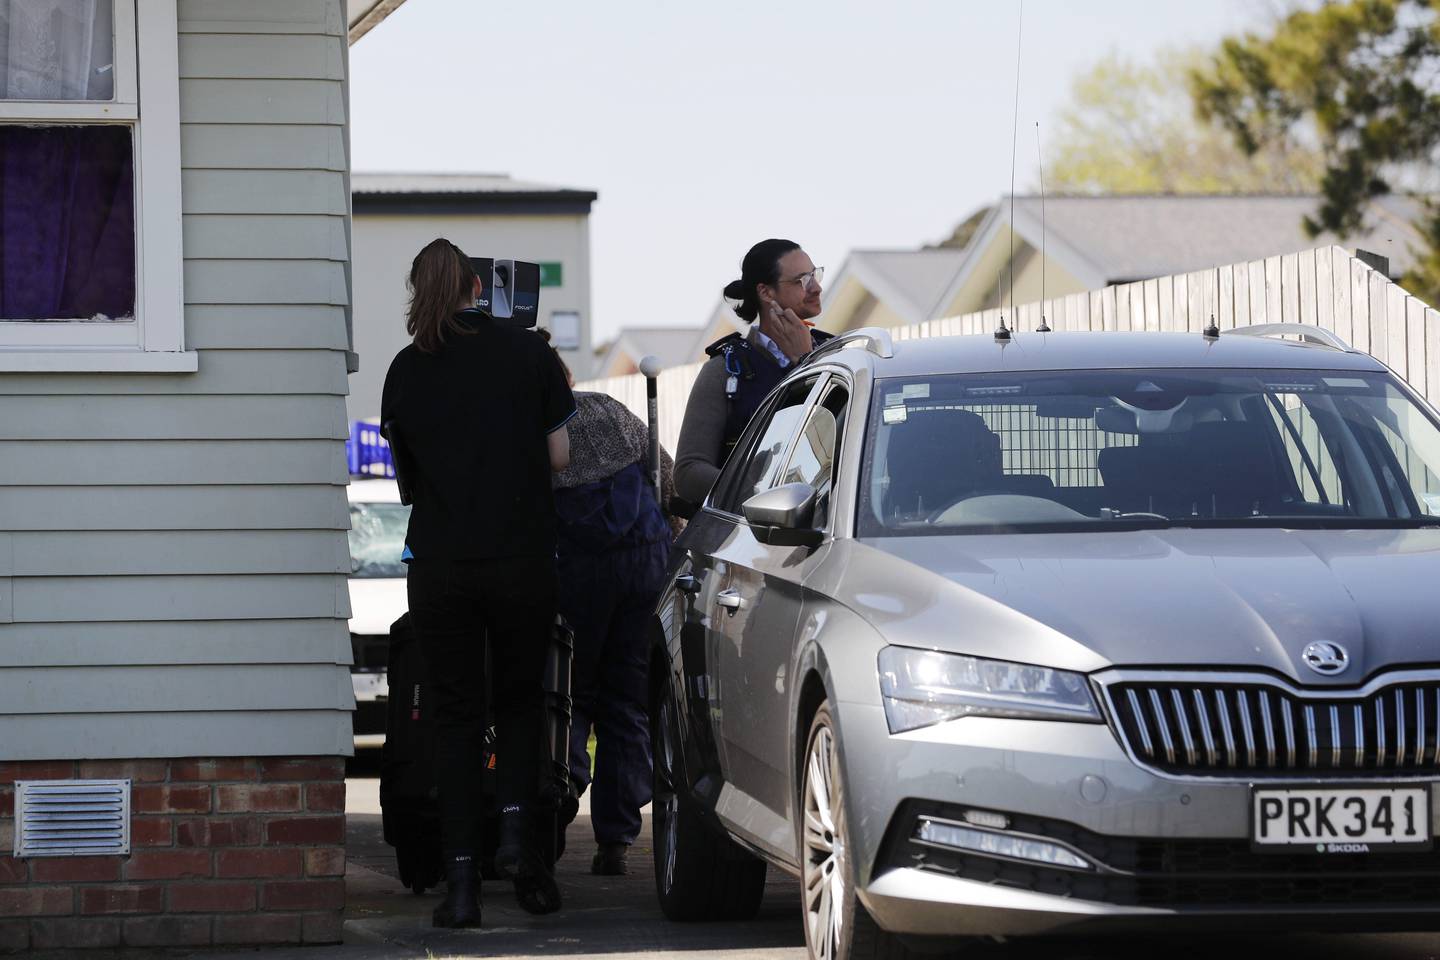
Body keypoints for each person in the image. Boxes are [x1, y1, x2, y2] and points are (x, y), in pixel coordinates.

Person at [380, 239, 576, 929]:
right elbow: (559, 454)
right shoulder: (529, 354)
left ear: (417, 291)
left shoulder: (405, 369)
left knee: (456, 720)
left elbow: (406, 484)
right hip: (522, 557)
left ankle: (461, 887)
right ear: (476, 285)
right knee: (521, 705)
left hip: (440, 564)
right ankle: (520, 838)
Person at [542, 334, 674, 876]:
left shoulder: (535, 436)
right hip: (642, 565)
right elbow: (663, 475)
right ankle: (615, 840)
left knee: (570, 694)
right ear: (569, 379)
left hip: (576, 576)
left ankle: (560, 797)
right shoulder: (612, 412)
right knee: (626, 701)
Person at [674, 238, 832, 507]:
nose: (816, 287)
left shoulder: (840, 355)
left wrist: (806, 361)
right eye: (802, 280)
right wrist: (761, 497)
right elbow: (689, 472)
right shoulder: (725, 371)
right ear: (766, 293)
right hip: (750, 537)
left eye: (815, 275)